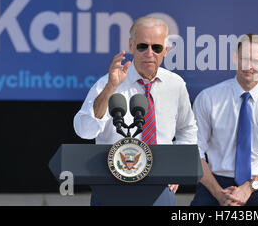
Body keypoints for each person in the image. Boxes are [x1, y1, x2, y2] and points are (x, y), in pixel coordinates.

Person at [73, 16, 197, 205]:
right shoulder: (109, 82)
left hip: (159, 187)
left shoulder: (176, 84)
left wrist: (177, 169)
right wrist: (110, 88)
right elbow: (84, 130)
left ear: (165, 50)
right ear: (131, 46)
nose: (149, 53)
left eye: (156, 47)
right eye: (142, 46)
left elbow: (187, 130)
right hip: (111, 184)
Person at [190, 34, 258, 206]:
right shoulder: (208, 98)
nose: (250, 66)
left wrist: (250, 187)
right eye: (245, 59)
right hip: (216, 182)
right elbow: (193, 150)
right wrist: (218, 193)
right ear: (235, 58)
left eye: (256, 61)